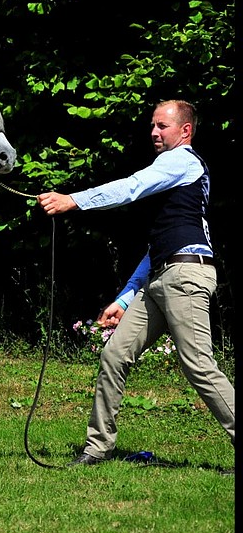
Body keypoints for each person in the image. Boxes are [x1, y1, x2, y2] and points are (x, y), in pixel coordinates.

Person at [38, 99, 235, 469]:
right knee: (114, 355)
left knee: (199, 365)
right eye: (152, 125)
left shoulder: (180, 161)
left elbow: (131, 187)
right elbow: (160, 246)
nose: (154, 132)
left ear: (185, 131)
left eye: (162, 126)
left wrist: (73, 201)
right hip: (163, 276)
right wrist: (127, 297)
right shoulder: (174, 173)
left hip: (184, 277)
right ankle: (98, 448)